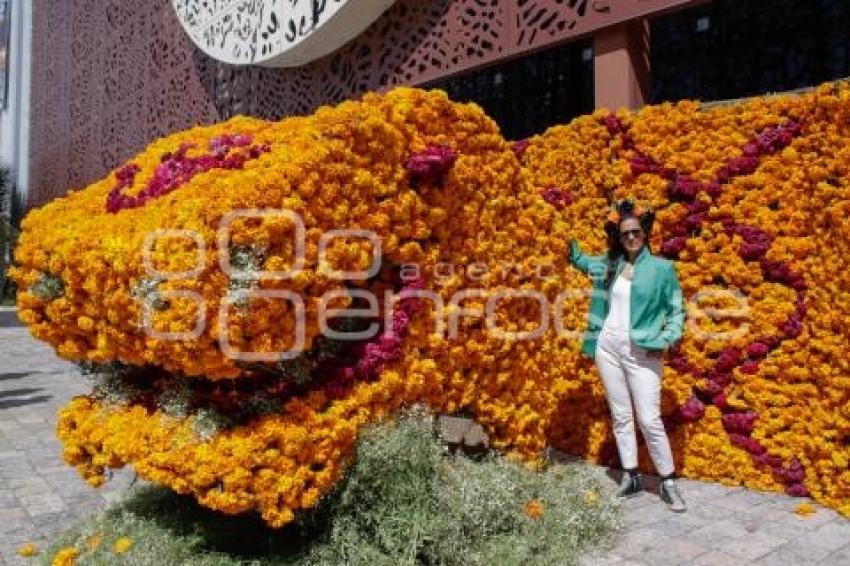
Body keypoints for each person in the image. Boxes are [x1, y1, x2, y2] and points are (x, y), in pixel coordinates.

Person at [568, 198, 687, 512]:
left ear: (644, 233)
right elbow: (577, 258)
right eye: (625, 234)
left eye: (635, 232)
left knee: (649, 419)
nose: (631, 237)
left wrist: (666, 338)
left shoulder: (662, 269)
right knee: (621, 415)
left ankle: (668, 481)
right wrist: (557, 233)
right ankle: (631, 476)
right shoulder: (610, 265)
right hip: (608, 347)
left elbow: (678, 311)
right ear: (618, 238)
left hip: (643, 350)